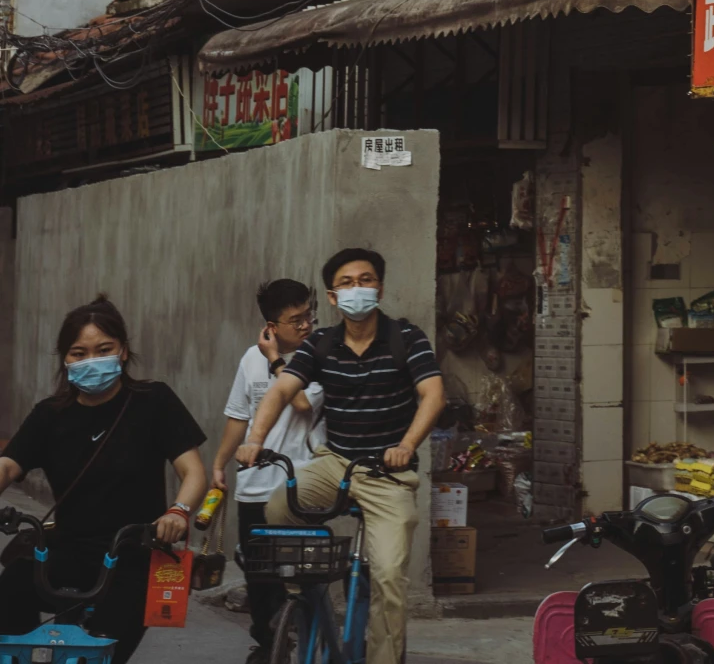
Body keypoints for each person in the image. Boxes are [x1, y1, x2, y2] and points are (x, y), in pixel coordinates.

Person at [239, 247, 444, 664]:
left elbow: (433, 394)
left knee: (388, 576)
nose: (357, 290)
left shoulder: (407, 339)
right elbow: (282, 390)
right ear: (333, 297)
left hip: (387, 471)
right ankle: (304, 596)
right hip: (337, 462)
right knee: (279, 507)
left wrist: (406, 446)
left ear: (380, 288)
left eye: (366, 280)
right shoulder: (322, 342)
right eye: (347, 283)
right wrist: (254, 441)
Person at [0, 295, 206, 664]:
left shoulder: (153, 401)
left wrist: (178, 511)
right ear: (65, 359)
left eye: (103, 349)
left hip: (134, 554)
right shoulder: (49, 415)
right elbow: (7, 466)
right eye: (79, 353)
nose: (91, 361)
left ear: (123, 351)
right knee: (11, 590)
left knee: (101, 654)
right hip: (67, 550)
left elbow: (192, 471)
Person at [213, 278, 326, 662]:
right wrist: (218, 464)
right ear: (272, 327)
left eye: (308, 315)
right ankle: (266, 645)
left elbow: (300, 405)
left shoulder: (320, 356)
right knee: (260, 578)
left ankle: (307, 638)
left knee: (302, 575)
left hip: (300, 485)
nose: (306, 324)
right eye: (295, 319)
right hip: (254, 485)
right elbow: (237, 417)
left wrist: (277, 360)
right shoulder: (250, 359)